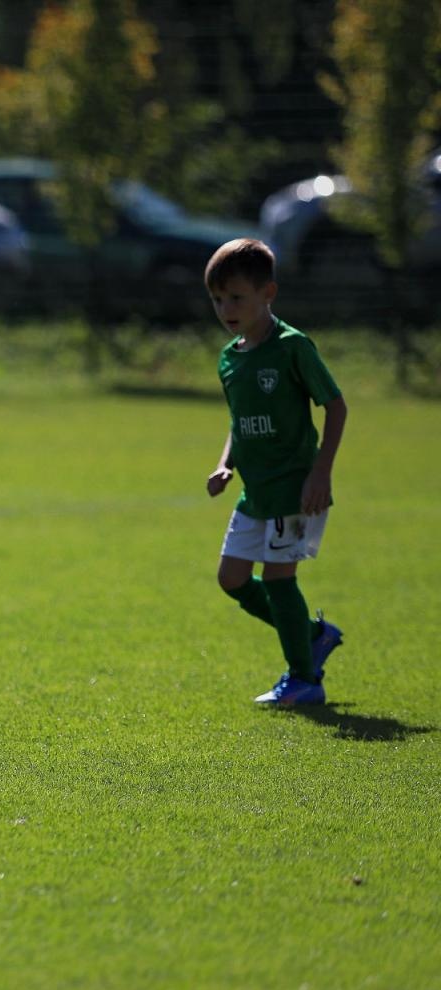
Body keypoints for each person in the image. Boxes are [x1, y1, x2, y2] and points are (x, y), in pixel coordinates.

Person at [204, 237, 345, 706]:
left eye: (237, 298)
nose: (226, 308)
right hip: (255, 489)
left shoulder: (292, 347)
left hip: (295, 486)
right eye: (218, 299)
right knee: (232, 579)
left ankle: (305, 679)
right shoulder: (231, 357)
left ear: (269, 293)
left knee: (280, 577)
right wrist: (226, 465)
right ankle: (311, 636)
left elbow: (337, 407)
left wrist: (321, 473)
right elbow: (238, 421)